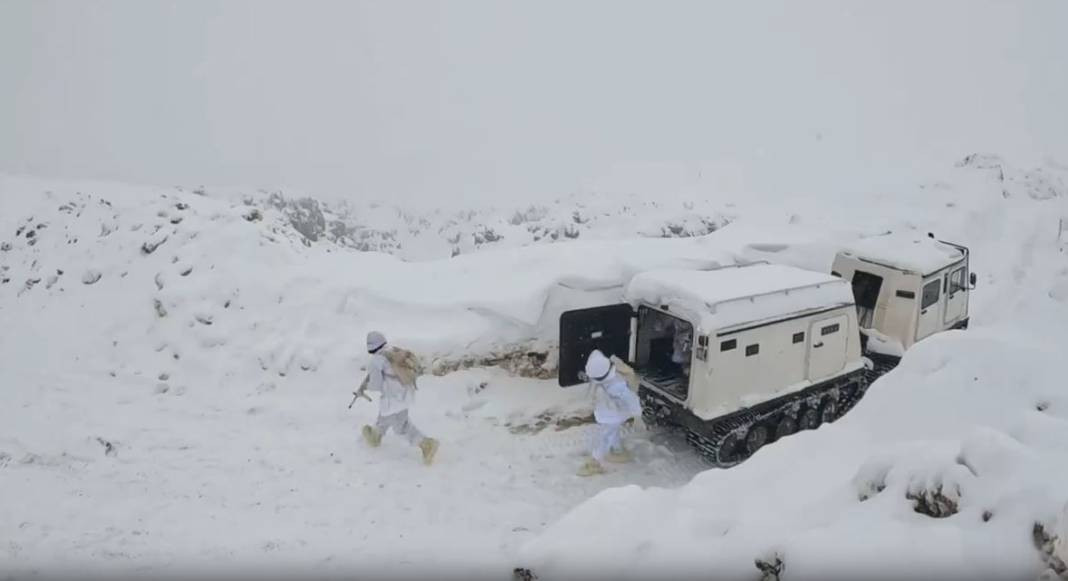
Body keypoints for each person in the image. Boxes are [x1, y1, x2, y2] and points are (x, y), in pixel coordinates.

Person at [356, 331, 439, 465]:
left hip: (393, 398)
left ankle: (426, 444)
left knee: (401, 426)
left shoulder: (376, 361)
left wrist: (367, 386)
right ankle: (375, 435)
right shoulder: (392, 351)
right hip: (406, 391)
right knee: (384, 417)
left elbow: (376, 385)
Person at [577, 349, 643, 477]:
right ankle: (599, 459)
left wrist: (637, 415)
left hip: (609, 415)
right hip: (612, 414)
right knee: (608, 436)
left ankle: (609, 454)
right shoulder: (615, 382)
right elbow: (632, 399)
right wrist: (637, 415)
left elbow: (630, 399)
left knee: (608, 434)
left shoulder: (613, 385)